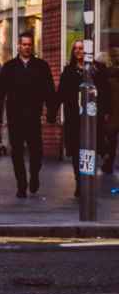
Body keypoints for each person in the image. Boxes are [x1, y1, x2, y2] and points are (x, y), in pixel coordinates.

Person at [0, 30, 55, 198]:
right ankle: (21, 184)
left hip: (34, 116)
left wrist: (51, 112)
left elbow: (49, 90)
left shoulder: (41, 66)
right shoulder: (9, 67)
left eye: (29, 45)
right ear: (19, 46)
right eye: (24, 44)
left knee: (37, 151)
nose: (27, 47)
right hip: (15, 117)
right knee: (17, 152)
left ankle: (34, 176)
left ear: (32, 46)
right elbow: (0, 94)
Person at [53, 42, 111, 193]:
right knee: (77, 150)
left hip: (92, 117)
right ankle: (79, 181)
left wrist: (105, 112)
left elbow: (105, 92)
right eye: (76, 49)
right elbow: (61, 93)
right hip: (74, 118)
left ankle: (88, 180)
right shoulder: (69, 71)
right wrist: (53, 112)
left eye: (82, 49)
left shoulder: (96, 70)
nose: (79, 51)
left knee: (91, 149)